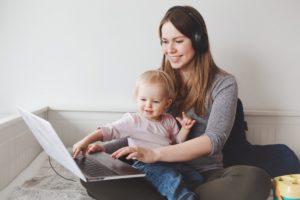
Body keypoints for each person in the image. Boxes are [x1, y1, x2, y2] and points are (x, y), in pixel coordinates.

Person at [78, 5, 272, 200]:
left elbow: (214, 139)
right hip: (155, 171)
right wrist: (106, 147)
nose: (169, 50)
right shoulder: (159, 80)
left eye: (178, 41)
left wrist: (155, 154)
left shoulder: (224, 83)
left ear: (198, 41)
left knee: (256, 178)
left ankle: (179, 194)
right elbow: (141, 128)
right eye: (164, 41)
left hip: (202, 176)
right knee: (91, 177)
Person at [73, 70, 204, 200]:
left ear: (167, 103)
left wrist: (185, 129)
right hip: (147, 165)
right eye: (143, 99)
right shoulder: (134, 120)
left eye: (156, 101)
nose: (148, 105)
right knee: (170, 179)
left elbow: (177, 143)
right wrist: (85, 141)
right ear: (137, 98)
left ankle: (167, 191)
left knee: (196, 178)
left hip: (170, 160)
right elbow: (108, 130)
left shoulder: (169, 120)